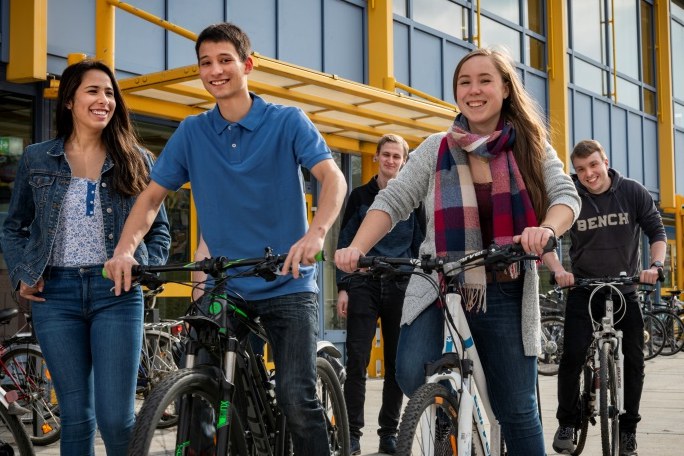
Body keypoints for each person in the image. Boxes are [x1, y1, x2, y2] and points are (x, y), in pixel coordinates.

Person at [103, 22, 347, 455]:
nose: (214, 70)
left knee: (294, 395)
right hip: (227, 284)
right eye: (205, 63)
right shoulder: (193, 132)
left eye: (224, 60)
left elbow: (333, 179)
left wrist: (316, 234)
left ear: (247, 65)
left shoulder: (287, 121)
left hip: (288, 281)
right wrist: (124, 250)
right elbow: (151, 199)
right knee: (203, 389)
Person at [335, 47, 581, 456]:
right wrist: (355, 248)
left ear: (505, 88)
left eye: (485, 80)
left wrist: (546, 229)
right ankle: (449, 405)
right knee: (412, 370)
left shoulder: (530, 147)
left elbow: (565, 196)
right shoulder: (437, 148)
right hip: (439, 278)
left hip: (503, 283)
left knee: (518, 409)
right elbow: (391, 201)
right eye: (464, 82)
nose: (474, 90)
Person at [0, 59, 171, 455]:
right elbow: (14, 227)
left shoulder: (137, 159)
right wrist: (24, 274)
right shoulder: (37, 159)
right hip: (55, 296)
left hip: (116, 294)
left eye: (110, 93)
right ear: (69, 102)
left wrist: (142, 270)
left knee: (117, 418)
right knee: (75, 417)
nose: (104, 100)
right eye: (93, 91)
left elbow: (159, 229)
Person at [545, 139, 666, 456]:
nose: (588, 174)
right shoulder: (570, 195)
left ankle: (628, 431)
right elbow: (547, 239)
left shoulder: (632, 192)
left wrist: (655, 265)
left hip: (625, 289)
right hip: (583, 289)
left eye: (593, 165)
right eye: (581, 169)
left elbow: (656, 232)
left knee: (635, 361)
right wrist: (558, 270)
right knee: (571, 357)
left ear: (605, 162)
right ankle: (568, 423)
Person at [336, 134, 426, 455]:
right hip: (363, 282)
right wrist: (343, 287)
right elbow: (345, 241)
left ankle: (389, 432)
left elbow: (420, 244)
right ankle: (352, 434)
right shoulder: (360, 197)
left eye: (396, 157)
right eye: (385, 155)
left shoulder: (414, 200)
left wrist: (418, 283)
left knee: (395, 365)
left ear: (404, 161)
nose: (390, 161)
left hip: (401, 283)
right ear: (376, 158)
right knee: (356, 360)